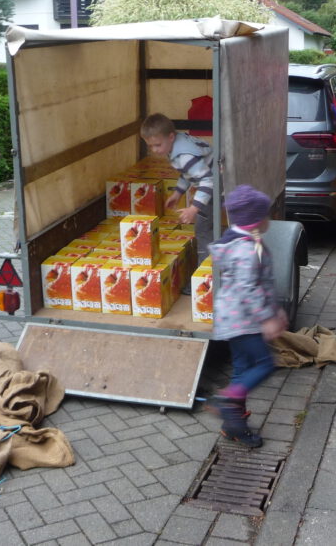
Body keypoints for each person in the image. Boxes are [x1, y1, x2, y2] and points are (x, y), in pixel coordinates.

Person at [207, 185, 287, 448]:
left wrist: (276, 310)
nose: (268, 218)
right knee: (265, 364)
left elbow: (261, 284)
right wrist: (267, 318)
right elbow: (248, 288)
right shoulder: (246, 250)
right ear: (257, 220)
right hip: (243, 321)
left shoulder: (243, 242)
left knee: (242, 369)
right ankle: (228, 400)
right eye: (266, 214)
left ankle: (234, 425)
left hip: (236, 319)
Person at [140, 113, 213, 262]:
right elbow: (187, 173)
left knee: (203, 229)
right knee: (206, 225)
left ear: (171, 137)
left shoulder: (184, 155)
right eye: (150, 146)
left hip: (218, 184)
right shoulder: (175, 146)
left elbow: (208, 180)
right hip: (213, 183)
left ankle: (207, 269)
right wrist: (178, 193)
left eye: (157, 145)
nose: (154, 150)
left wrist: (193, 208)